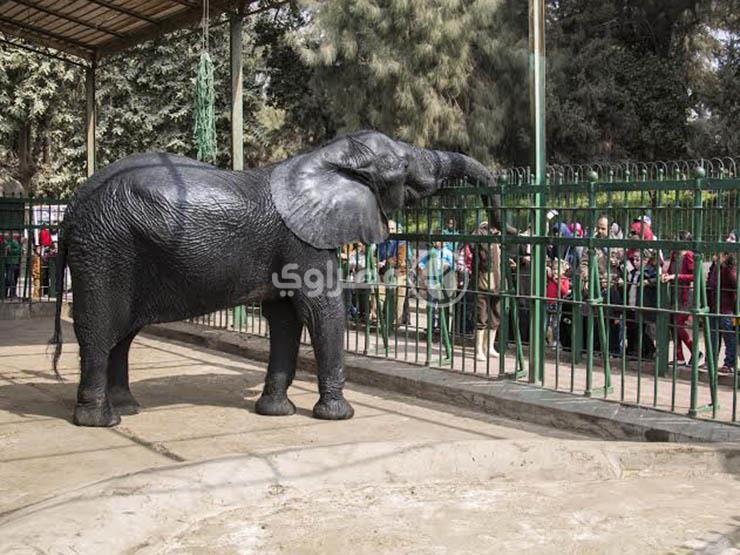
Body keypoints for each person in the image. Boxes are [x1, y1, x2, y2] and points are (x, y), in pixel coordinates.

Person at [580, 215, 624, 354]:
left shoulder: (617, 246)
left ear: (610, 229)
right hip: (596, 285)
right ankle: (594, 349)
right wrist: (587, 279)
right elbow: (584, 263)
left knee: (612, 321)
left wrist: (619, 264)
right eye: (598, 227)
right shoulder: (592, 243)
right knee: (594, 320)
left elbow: (627, 264)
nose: (599, 231)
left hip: (612, 286)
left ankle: (613, 351)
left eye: (603, 228)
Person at [663, 231, 702, 366]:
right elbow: (670, 271)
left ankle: (695, 350)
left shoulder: (689, 255)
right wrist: (666, 275)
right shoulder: (675, 254)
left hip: (687, 295)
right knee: (673, 325)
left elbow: (694, 276)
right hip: (675, 294)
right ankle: (679, 357)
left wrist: (676, 277)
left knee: (679, 325)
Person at [624, 225, 659, 359]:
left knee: (644, 332)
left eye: (638, 260)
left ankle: (649, 352)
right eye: (634, 259)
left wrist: (648, 282)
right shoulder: (634, 272)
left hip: (643, 306)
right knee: (632, 329)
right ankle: (632, 351)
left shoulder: (649, 271)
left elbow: (658, 278)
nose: (635, 262)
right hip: (631, 304)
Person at [470, 221, 502, 360]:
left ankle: (489, 347)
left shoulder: (499, 235)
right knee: (481, 315)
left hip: (497, 281)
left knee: (496, 315)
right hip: (482, 281)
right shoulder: (481, 232)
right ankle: (478, 349)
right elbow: (472, 244)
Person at [707, 239, 737, 374]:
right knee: (713, 335)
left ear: (725, 256)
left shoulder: (730, 270)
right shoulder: (715, 268)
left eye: (718, 254)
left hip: (727, 310)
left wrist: (724, 267)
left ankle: (729, 364)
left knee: (729, 337)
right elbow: (710, 282)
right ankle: (711, 361)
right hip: (715, 307)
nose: (714, 256)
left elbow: (736, 284)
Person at [377, 220, 412, 328]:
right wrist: (376, 262)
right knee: (377, 291)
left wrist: (385, 262)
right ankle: (376, 319)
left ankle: (397, 323)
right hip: (384, 273)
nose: (390, 231)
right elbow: (375, 255)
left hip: (400, 272)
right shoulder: (381, 242)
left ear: (397, 230)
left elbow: (400, 259)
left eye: (392, 229)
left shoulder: (402, 242)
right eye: (388, 228)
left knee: (399, 296)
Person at [418, 233, 455, 333]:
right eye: (436, 240)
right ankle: (431, 325)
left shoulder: (448, 253)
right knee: (431, 304)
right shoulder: (432, 251)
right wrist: (421, 266)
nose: (437, 242)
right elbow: (423, 261)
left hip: (444, 282)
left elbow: (453, 266)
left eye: (439, 240)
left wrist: (447, 267)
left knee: (442, 305)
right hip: (432, 281)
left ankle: (443, 326)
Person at [546, 258, 571, 349]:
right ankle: (548, 341)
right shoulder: (550, 278)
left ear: (563, 271)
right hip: (548, 302)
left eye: (557, 269)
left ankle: (557, 342)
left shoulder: (565, 280)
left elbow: (564, 291)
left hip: (557, 303)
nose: (555, 271)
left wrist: (558, 281)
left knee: (556, 324)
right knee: (546, 323)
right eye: (554, 269)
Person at [4, 232, 22, 299]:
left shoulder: (15, 242)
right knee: (9, 279)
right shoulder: (9, 242)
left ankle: (11, 293)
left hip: (14, 262)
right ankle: (9, 294)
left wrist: (10, 250)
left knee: (12, 279)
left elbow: (18, 250)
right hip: (10, 262)